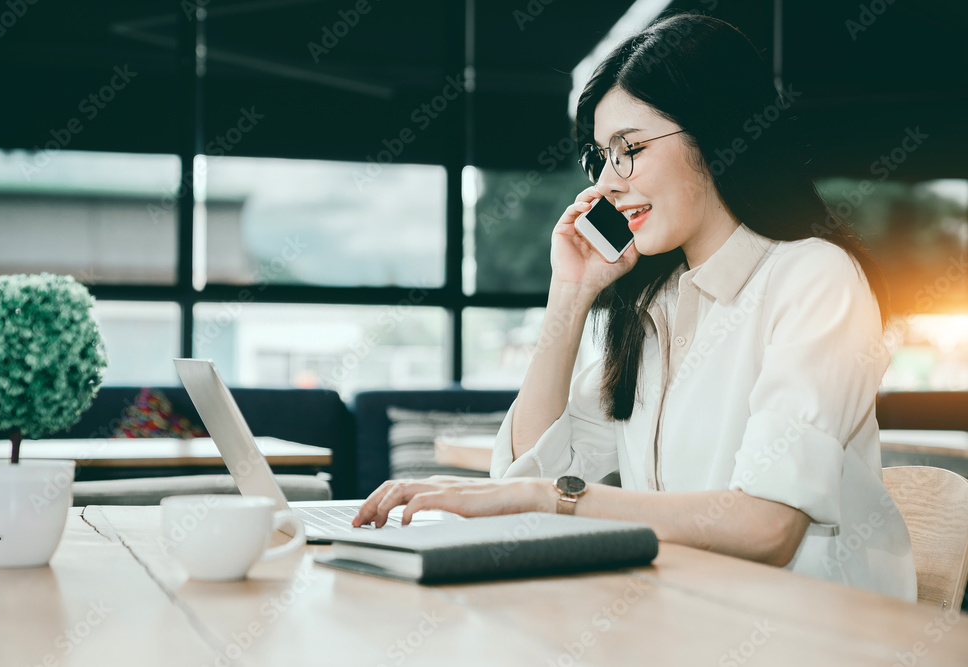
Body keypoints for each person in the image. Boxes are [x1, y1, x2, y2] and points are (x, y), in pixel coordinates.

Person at [354, 12, 917, 601]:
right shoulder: (658, 305)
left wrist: (551, 499)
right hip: (686, 617)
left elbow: (767, 527)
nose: (607, 184)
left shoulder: (814, 277)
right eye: (601, 156)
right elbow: (526, 476)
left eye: (631, 149)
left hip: (811, 634)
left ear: (717, 132)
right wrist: (568, 297)